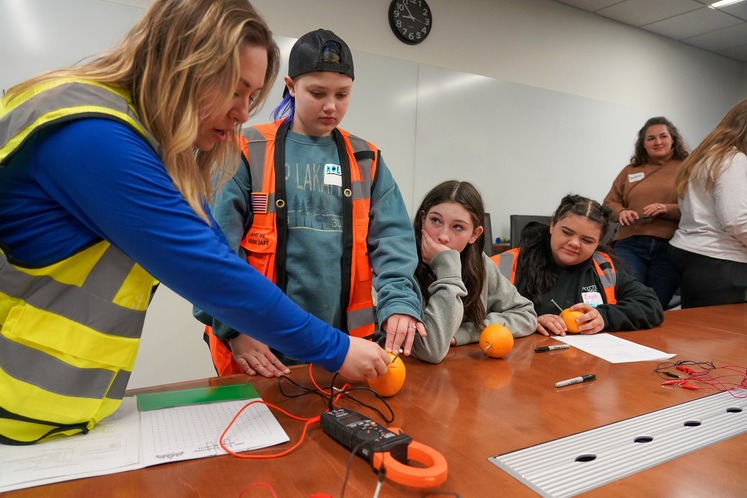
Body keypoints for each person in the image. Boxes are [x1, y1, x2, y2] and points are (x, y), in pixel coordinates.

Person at [0, 1, 391, 445]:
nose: (245, 112)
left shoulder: (148, 145)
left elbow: (216, 254)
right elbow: (211, 273)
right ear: (184, 63)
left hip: (49, 420)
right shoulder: (93, 135)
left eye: (253, 97)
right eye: (235, 91)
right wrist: (337, 348)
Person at [196, 29, 424, 377]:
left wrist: (401, 304)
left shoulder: (366, 159)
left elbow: (394, 244)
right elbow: (213, 251)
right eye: (317, 93)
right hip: (258, 348)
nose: (331, 106)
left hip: (345, 350)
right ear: (291, 86)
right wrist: (235, 330)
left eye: (342, 94)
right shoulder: (248, 150)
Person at [491, 195, 663, 336]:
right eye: (566, 232)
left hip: (589, 364)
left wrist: (604, 316)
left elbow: (650, 305)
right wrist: (526, 323)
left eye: (587, 240)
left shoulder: (604, 266)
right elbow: (471, 317)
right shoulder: (505, 264)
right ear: (552, 225)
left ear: (599, 243)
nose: (574, 243)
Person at [409, 181, 537, 364]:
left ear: (474, 235)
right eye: (435, 220)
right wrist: (447, 267)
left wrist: (468, 332)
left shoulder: (480, 263)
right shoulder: (404, 263)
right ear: (423, 219)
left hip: (464, 373)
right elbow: (431, 349)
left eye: (458, 227)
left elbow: (526, 315)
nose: (443, 236)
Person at [603, 117, 689, 309]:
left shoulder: (688, 168)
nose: (657, 142)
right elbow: (609, 203)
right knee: (627, 298)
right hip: (630, 244)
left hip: (670, 246)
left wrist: (668, 209)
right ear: (643, 143)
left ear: (673, 139)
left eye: (663, 136)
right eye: (651, 138)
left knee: (656, 305)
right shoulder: (630, 170)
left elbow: (698, 208)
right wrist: (621, 212)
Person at [669, 100, 747, 308]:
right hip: (719, 258)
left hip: (692, 252)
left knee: (696, 331)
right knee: (718, 335)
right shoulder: (734, 159)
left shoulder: (705, 156)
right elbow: (736, 219)